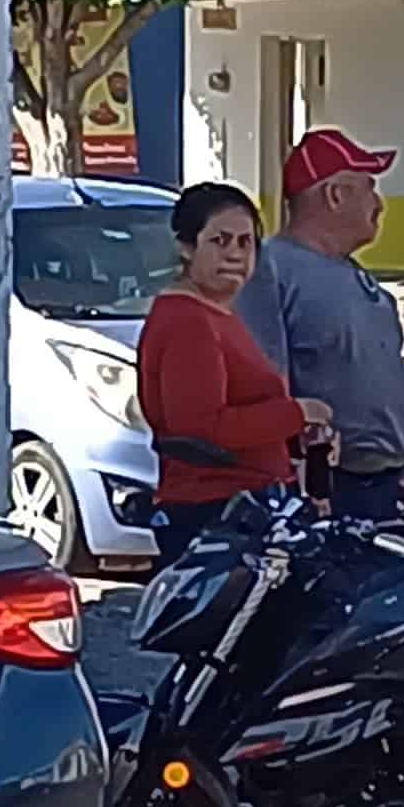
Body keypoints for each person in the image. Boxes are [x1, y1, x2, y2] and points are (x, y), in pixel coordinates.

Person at [239, 127, 404, 528]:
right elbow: (265, 385)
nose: (379, 204)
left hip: (384, 487)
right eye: (369, 188)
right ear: (335, 195)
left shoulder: (354, 275)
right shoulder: (271, 270)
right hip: (327, 489)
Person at [134, 183, 328, 564]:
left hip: (251, 506)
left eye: (246, 243)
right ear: (187, 248)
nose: (235, 254)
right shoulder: (187, 321)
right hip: (215, 514)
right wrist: (298, 412)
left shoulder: (217, 314)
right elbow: (201, 428)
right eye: (220, 241)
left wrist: (295, 437)